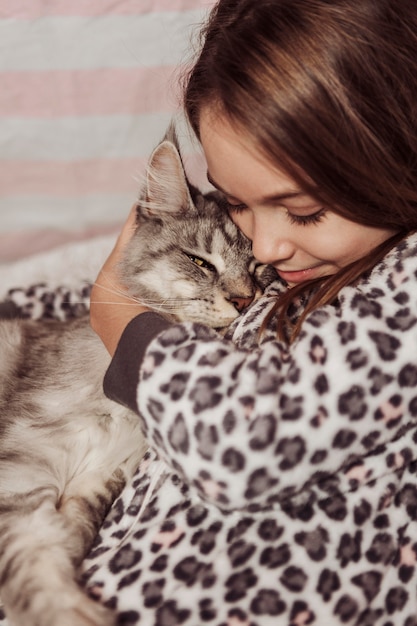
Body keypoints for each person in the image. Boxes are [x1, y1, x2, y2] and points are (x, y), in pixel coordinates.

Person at [87, 0, 417, 624]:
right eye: (238, 203)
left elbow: (247, 439)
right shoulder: (302, 262)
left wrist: (120, 322)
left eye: (304, 211)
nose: (264, 248)